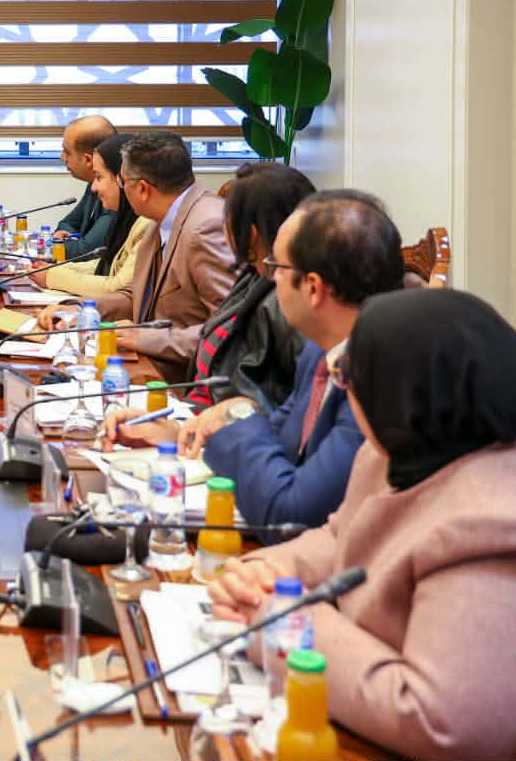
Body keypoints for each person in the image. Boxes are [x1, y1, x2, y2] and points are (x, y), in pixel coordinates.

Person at [207, 289, 516, 761]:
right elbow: (340, 537)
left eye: (349, 374)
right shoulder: (387, 454)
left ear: (405, 393)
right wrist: (260, 576)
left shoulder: (489, 523)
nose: (344, 389)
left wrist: (282, 620)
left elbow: (441, 722)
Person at [105, 190, 404, 531]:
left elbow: (288, 515)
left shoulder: (374, 380)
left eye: (277, 267)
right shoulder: (320, 352)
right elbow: (277, 438)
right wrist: (180, 434)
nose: (269, 278)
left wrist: (239, 414)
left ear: (313, 288)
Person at [100, 162, 312, 413]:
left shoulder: (286, 299)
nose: (223, 225)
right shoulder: (253, 275)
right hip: (197, 408)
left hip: (221, 423)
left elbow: (283, 408)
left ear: (251, 233)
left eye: (228, 216)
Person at [93, 131, 236, 383]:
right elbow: (140, 299)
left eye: (122, 181)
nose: (95, 188)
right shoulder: (159, 220)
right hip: (150, 369)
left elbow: (231, 330)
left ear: (143, 188)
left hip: (189, 384)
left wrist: (146, 338)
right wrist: (84, 312)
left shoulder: (206, 228)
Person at [31, 133, 150, 300]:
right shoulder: (126, 214)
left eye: (99, 177)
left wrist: (53, 277)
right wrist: (54, 270)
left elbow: (118, 287)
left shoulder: (147, 223)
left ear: (122, 179)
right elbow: (108, 265)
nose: (94, 187)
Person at [52, 115, 119, 257]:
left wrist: (63, 242)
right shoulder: (92, 183)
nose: (62, 157)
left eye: (67, 151)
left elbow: (83, 253)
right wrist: (72, 239)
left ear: (88, 160)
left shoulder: (117, 195)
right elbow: (67, 223)